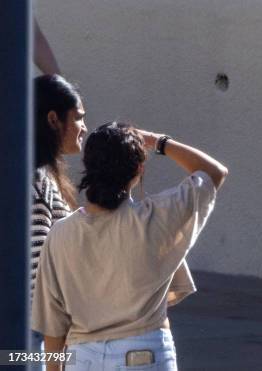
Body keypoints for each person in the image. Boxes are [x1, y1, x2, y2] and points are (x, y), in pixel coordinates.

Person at [31, 122, 228, 371]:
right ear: (138, 169)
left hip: (81, 357)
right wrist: (158, 141)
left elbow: (53, 325)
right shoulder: (158, 215)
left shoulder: (60, 233)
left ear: (89, 167)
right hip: (145, 351)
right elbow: (214, 172)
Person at [30, 75, 86, 371]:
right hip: (33, 336)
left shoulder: (40, 176)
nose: (84, 128)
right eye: (78, 118)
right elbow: (35, 272)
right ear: (53, 119)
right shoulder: (39, 181)